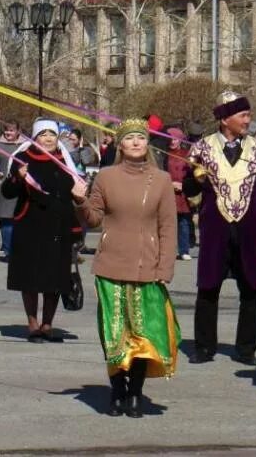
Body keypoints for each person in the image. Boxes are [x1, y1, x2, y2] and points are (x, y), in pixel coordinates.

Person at [75, 119, 179, 418]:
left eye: (141, 138)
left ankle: (135, 394)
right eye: (130, 138)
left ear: (148, 144)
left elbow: (168, 227)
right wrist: (80, 199)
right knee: (115, 333)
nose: (136, 143)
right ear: (119, 144)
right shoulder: (106, 177)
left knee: (143, 336)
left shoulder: (160, 179)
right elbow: (93, 219)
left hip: (148, 266)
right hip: (111, 264)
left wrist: (165, 266)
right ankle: (117, 390)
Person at [184, 91, 256, 366]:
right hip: (215, 228)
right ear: (225, 119)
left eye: (248, 115)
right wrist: (196, 180)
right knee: (208, 288)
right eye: (243, 115)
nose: (248, 120)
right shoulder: (202, 148)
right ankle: (204, 346)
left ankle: (247, 348)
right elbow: (188, 190)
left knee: (251, 289)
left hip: (250, 228)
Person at [1, 119, 86, 343]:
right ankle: (33, 324)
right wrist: (17, 177)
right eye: (43, 134)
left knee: (55, 278)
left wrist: (76, 225)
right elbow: (8, 192)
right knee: (30, 278)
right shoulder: (23, 158)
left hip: (58, 226)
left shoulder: (64, 161)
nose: (48, 139)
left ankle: (48, 325)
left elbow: (73, 195)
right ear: (35, 137)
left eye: (52, 134)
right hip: (30, 225)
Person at [0, 122, 25, 260]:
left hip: (22, 189)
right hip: (5, 190)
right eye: (6, 130)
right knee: (7, 221)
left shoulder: (24, 147)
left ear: (18, 131)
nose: (8, 133)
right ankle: (9, 251)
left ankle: (17, 250)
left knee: (20, 221)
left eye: (11, 130)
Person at [163, 125, 195, 261]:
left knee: (184, 223)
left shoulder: (186, 155)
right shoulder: (163, 154)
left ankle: (184, 250)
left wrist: (184, 185)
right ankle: (167, 250)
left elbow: (191, 174)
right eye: (170, 139)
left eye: (175, 139)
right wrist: (169, 184)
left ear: (180, 140)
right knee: (167, 224)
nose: (172, 141)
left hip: (183, 194)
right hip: (167, 192)